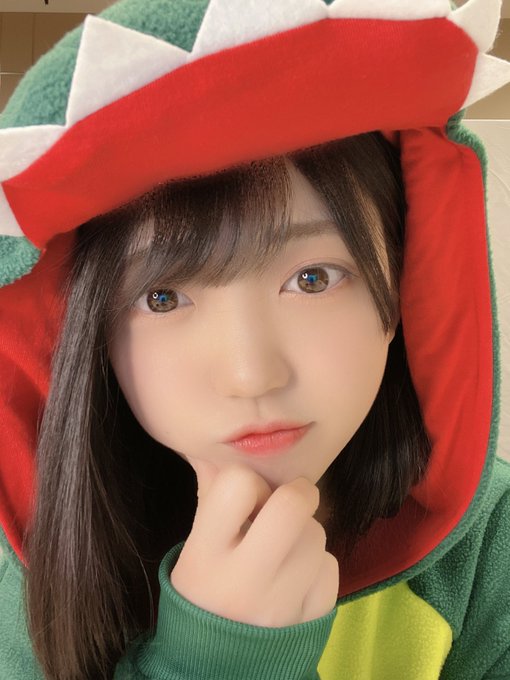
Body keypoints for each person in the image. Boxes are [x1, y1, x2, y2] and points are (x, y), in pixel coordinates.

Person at [0, 0, 509, 678]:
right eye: (162, 297)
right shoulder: (20, 564)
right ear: (87, 335)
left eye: (312, 279)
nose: (251, 375)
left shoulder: (487, 551)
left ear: (405, 286)